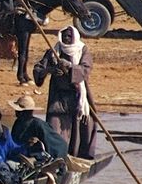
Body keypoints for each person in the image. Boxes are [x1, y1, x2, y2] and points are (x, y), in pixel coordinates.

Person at [32, 26, 97, 159]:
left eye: (69, 36)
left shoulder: (82, 50)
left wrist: (70, 67)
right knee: (54, 130)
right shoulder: (54, 52)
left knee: (82, 128)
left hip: (78, 97)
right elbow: (38, 70)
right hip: (58, 98)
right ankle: (56, 159)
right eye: (64, 36)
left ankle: (77, 158)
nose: (66, 39)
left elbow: (85, 69)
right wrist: (50, 70)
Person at [8, 95, 68, 160]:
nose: (16, 112)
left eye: (18, 111)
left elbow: (57, 144)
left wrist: (53, 159)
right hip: (19, 154)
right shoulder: (18, 123)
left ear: (23, 112)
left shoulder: (38, 124)